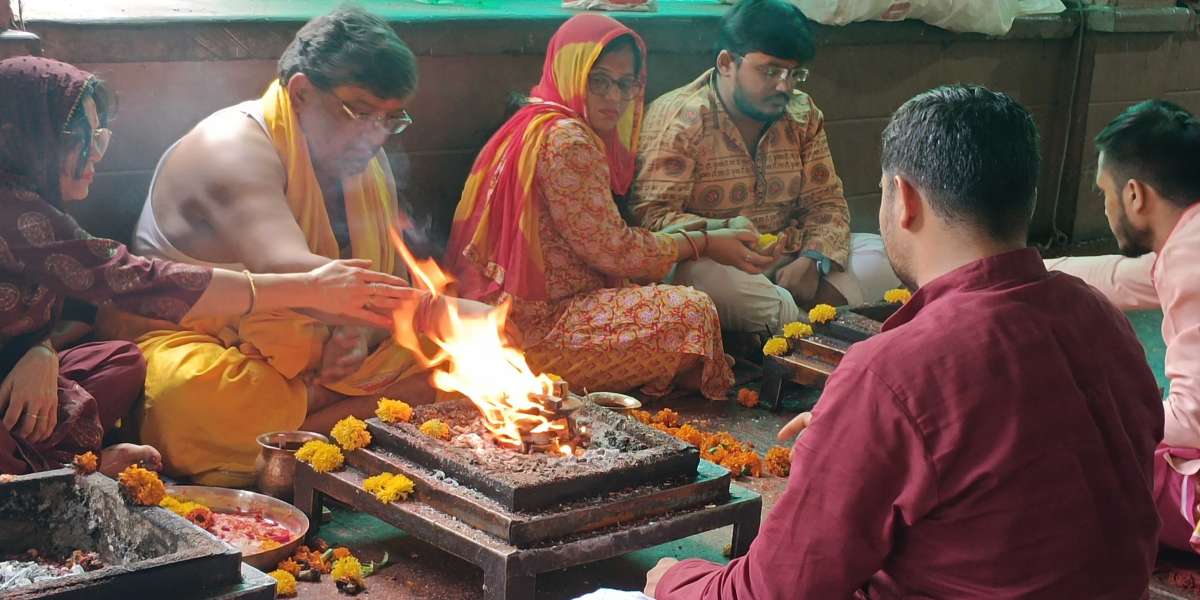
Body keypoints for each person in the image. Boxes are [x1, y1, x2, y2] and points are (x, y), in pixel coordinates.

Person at [645, 85, 1162, 599]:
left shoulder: (893, 371)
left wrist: (672, 579)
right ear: (1025, 197)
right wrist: (849, 441)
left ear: (905, 199)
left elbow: (775, 592)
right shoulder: (1099, 316)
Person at [0, 56, 413, 477]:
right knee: (181, 398)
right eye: (81, 140)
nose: (96, 155)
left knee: (119, 365)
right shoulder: (14, 212)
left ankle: (51, 468)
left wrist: (40, 350)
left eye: (101, 137)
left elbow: (61, 307)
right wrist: (308, 288)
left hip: (20, 371)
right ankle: (71, 473)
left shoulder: (35, 202)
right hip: (177, 343)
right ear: (29, 141)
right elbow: (133, 280)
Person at [109, 6, 465, 486]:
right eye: (360, 112)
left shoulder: (364, 154)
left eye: (391, 119)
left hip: (306, 347)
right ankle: (342, 423)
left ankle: (303, 434)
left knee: (446, 359)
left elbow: (359, 275)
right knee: (185, 399)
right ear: (300, 93)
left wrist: (355, 334)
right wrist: (435, 313)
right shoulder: (231, 146)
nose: (375, 134)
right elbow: (291, 270)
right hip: (199, 344)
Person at [446, 14, 774, 402]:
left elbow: (601, 238)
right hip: (533, 335)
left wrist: (703, 233)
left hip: (494, 323)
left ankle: (673, 371)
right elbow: (614, 250)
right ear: (571, 72)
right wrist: (703, 243)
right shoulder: (570, 140)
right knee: (691, 310)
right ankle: (673, 374)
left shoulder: (533, 120)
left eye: (625, 84)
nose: (615, 98)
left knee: (667, 297)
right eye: (599, 80)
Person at [632, 0, 898, 336]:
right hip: (719, 263)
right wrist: (725, 235)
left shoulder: (802, 115)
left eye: (794, 74)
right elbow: (652, 219)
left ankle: (805, 330)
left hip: (793, 258)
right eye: (770, 71)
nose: (785, 87)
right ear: (727, 63)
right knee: (712, 282)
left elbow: (827, 203)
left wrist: (813, 260)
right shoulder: (682, 119)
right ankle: (820, 333)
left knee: (882, 258)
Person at [1046, 99, 1200, 554]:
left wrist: (1092, 413)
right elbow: (1119, 277)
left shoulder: (1190, 259)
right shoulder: (1187, 240)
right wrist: (1019, 266)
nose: (1106, 205)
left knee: (1073, 455)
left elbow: (1192, 422)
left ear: (1134, 194)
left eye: (1104, 192)